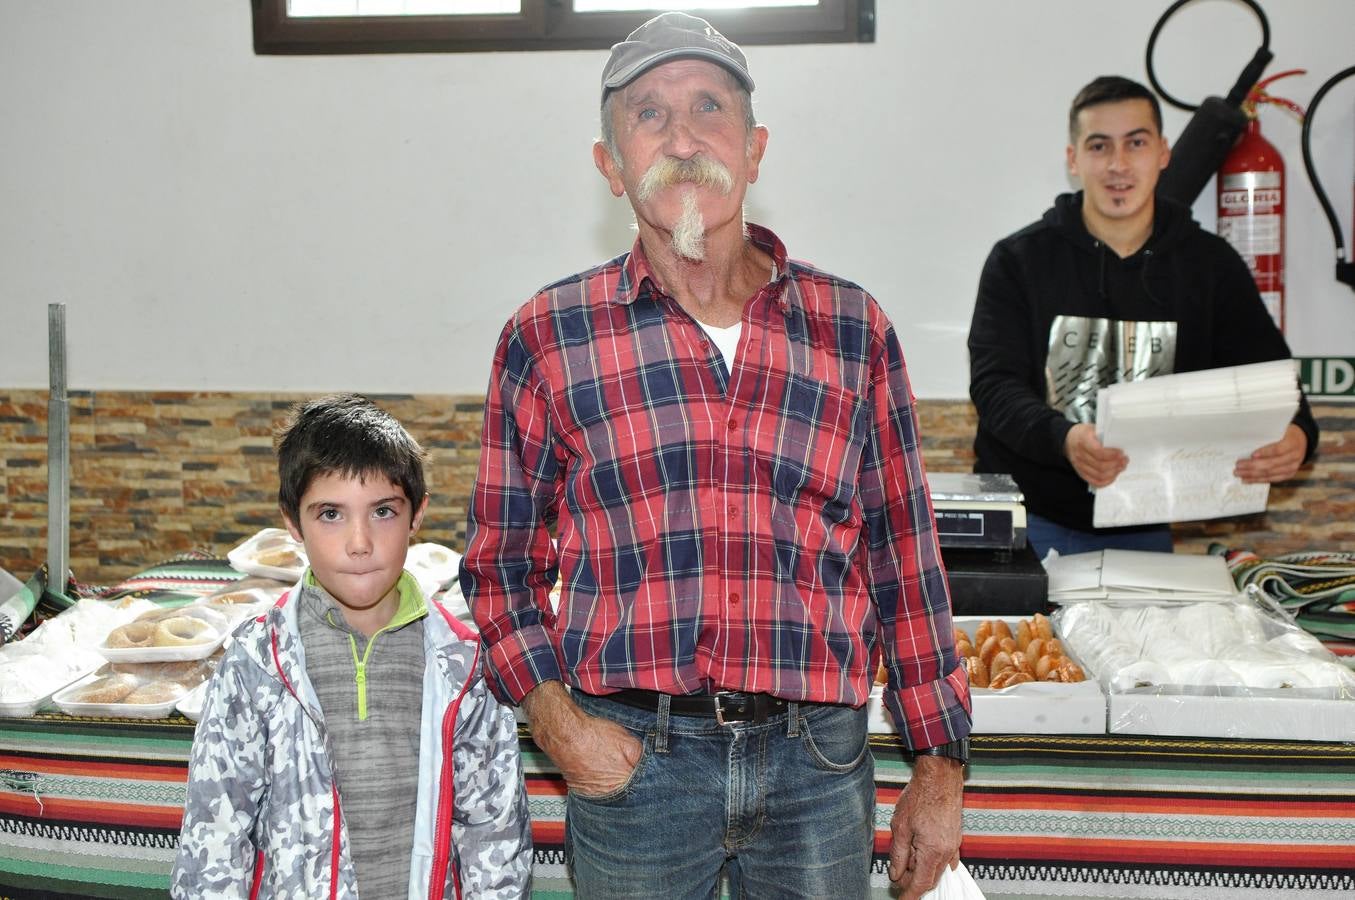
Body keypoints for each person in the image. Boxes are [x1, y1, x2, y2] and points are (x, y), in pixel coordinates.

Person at [461, 12, 969, 900]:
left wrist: (938, 768)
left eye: (708, 108)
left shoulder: (852, 330)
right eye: (648, 116)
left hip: (819, 759)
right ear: (609, 164)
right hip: (632, 765)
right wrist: (555, 720)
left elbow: (905, 560)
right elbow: (499, 564)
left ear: (755, 147)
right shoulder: (548, 336)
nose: (683, 137)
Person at [173, 394, 531, 899]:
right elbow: (215, 834)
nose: (359, 542)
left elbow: (492, 833)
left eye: (382, 511)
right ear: (293, 523)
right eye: (331, 514)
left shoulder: (464, 664)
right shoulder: (258, 661)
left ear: (416, 516)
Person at [967, 75, 1319, 559]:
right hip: (1029, 522)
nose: (1118, 164)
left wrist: (1298, 434)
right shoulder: (1018, 260)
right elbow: (994, 387)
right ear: (1074, 160)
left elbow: (1277, 387)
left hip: (1143, 526)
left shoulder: (1211, 266)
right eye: (1098, 146)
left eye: (1135, 143)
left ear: (1163, 153)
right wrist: (1065, 439)